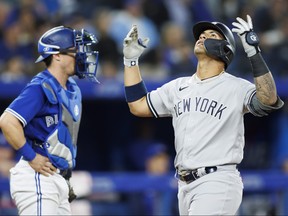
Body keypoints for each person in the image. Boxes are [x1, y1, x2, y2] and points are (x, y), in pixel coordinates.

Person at [122, 14, 284, 215]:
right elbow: (138, 105)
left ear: (225, 49)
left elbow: (268, 98)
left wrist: (253, 50)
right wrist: (130, 62)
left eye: (211, 35)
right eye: (200, 35)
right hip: (184, 184)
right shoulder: (178, 86)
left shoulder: (235, 86)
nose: (201, 37)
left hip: (217, 180)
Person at [0, 25, 100, 215]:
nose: (80, 56)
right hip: (36, 176)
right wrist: (31, 156)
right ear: (57, 55)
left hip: (58, 179)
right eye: (75, 51)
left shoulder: (72, 89)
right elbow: (7, 121)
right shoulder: (40, 87)